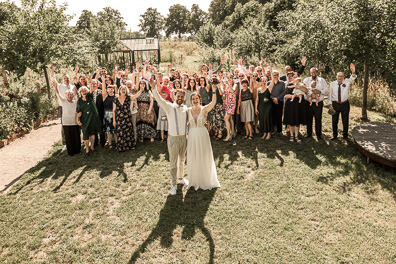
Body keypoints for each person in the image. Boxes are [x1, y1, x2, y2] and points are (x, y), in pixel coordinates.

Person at [151, 75, 189, 196]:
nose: (180, 98)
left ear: (184, 98)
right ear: (174, 96)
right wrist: (153, 89)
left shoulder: (185, 108)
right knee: (173, 163)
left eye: (182, 97)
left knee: (182, 160)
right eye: (178, 96)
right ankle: (173, 184)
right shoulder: (169, 107)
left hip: (184, 138)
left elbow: (188, 121)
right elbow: (159, 99)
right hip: (173, 138)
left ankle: (180, 178)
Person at [187, 88, 220, 190]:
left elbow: (213, 102)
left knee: (204, 155)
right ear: (191, 100)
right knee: (194, 156)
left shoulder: (204, 109)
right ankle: (195, 180)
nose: (195, 100)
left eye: (197, 98)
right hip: (192, 135)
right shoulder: (188, 111)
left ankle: (206, 179)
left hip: (202, 134)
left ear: (200, 99)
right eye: (193, 99)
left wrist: (214, 90)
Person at [49, 65, 77, 151]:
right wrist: (52, 70)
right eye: (65, 78)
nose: (66, 79)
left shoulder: (73, 87)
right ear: (63, 80)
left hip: (72, 107)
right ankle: (65, 143)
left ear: (70, 79)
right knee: (64, 125)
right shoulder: (60, 86)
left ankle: (74, 141)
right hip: (63, 107)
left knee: (74, 123)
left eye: (68, 78)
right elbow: (53, 79)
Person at [329, 63, 357, 140]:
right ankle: (334, 135)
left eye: (341, 76)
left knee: (345, 120)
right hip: (335, 104)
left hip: (345, 104)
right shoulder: (332, 84)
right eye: (338, 76)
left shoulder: (347, 82)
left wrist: (353, 72)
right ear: (336, 77)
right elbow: (330, 94)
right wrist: (330, 104)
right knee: (334, 120)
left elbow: (353, 77)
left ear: (344, 77)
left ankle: (345, 135)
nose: (340, 77)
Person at [52, 80, 81, 156]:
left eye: (71, 94)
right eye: (68, 95)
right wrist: (55, 87)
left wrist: (77, 89)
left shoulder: (76, 102)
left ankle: (77, 150)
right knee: (68, 137)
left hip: (74, 122)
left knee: (76, 136)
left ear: (73, 95)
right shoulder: (63, 101)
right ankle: (70, 152)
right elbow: (58, 94)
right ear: (65, 96)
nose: (69, 96)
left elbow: (79, 96)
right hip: (66, 122)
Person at [113, 85, 144, 152]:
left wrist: (140, 91)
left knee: (128, 132)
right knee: (121, 132)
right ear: (119, 91)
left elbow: (135, 96)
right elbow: (114, 110)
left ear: (126, 90)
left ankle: (130, 146)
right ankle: (122, 147)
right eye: (122, 89)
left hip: (127, 118)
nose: (123, 90)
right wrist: (114, 121)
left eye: (124, 89)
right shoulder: (116, 99)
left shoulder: (128, 97)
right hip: (119, 119)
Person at [303, 67, 329, 140]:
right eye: (311, 72)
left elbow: (326, 90)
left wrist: (319, 91)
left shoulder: (322, 80)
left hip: (318, 103)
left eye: (314, 72)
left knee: (318, 119)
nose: (313, 74)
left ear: (317, 73)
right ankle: (309, 133)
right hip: (309, 103)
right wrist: (311, 94)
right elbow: (305, 89)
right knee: (309, 119)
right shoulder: (306, 80)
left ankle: (318, 134)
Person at [76, 86, 103, 156]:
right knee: (85, 134)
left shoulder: (90, 97)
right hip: (84, 119)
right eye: (82, 91)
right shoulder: (79, 101)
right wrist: (77, 119)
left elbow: (91, 89)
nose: (84, 92)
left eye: (85, 91)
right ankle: (87, 149)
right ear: (80, 93)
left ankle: (92, 146)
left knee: (92, 133)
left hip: (92, 117)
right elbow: (78, 111)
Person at [283, 74, 308, 142]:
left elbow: (306, 91)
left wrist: (299, 87)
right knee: (291, 121)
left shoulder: (302, 85)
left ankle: (296, 136)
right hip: (290, 105)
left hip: (299, 105)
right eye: (294, 77)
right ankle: (291, 136)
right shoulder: (290, 85)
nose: (295, 79)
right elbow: (286, 96)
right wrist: (296, 96)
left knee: (297, 121)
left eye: (297, 78)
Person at [269, 69, 286, 135]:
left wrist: (277, 98)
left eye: (276, 75)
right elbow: (268, 92)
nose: (275, 76)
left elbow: (283, 92)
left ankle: (279, 131)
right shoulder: (269, 83)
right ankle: (272, 130)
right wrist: (273, 99)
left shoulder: (282, 83)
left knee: (279, 116)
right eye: (273, 75)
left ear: (278, 76)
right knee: (272, 116)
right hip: (271, 102)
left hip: (279, 101)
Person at [210, 75, 225, 140]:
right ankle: (216, 131)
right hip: (213, 104)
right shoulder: (211, 88)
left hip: (219, 104)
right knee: (214, 119)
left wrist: (218, 87)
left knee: (220, 119)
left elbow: (222, 93)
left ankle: (220, 132)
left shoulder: (219, 86)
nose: (214, 84)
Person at [222, 75, 237, 141]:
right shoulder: (226, 86)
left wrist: (228, 84)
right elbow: (224, 93)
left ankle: (228, 135)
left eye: (230, 78)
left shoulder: (235, 85)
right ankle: (233, 132)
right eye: (228, 78)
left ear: (232, 78)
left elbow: (233, 91)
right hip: (227, 104)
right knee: (230, 118)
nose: (229, 79)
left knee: (225, 118)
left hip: (232, 104)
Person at [102, 83, 116, 148]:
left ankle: (117, 142)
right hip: (107, 115)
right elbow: (103, 88)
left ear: (114, 89)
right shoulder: (105, 96)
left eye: (112, 89)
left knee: (115, 129)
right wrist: (103, 81)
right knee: (108, 130)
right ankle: (110, 143)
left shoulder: (116, 97)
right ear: (107, 90)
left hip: (114, 114)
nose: (110, 90)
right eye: (109, 89)